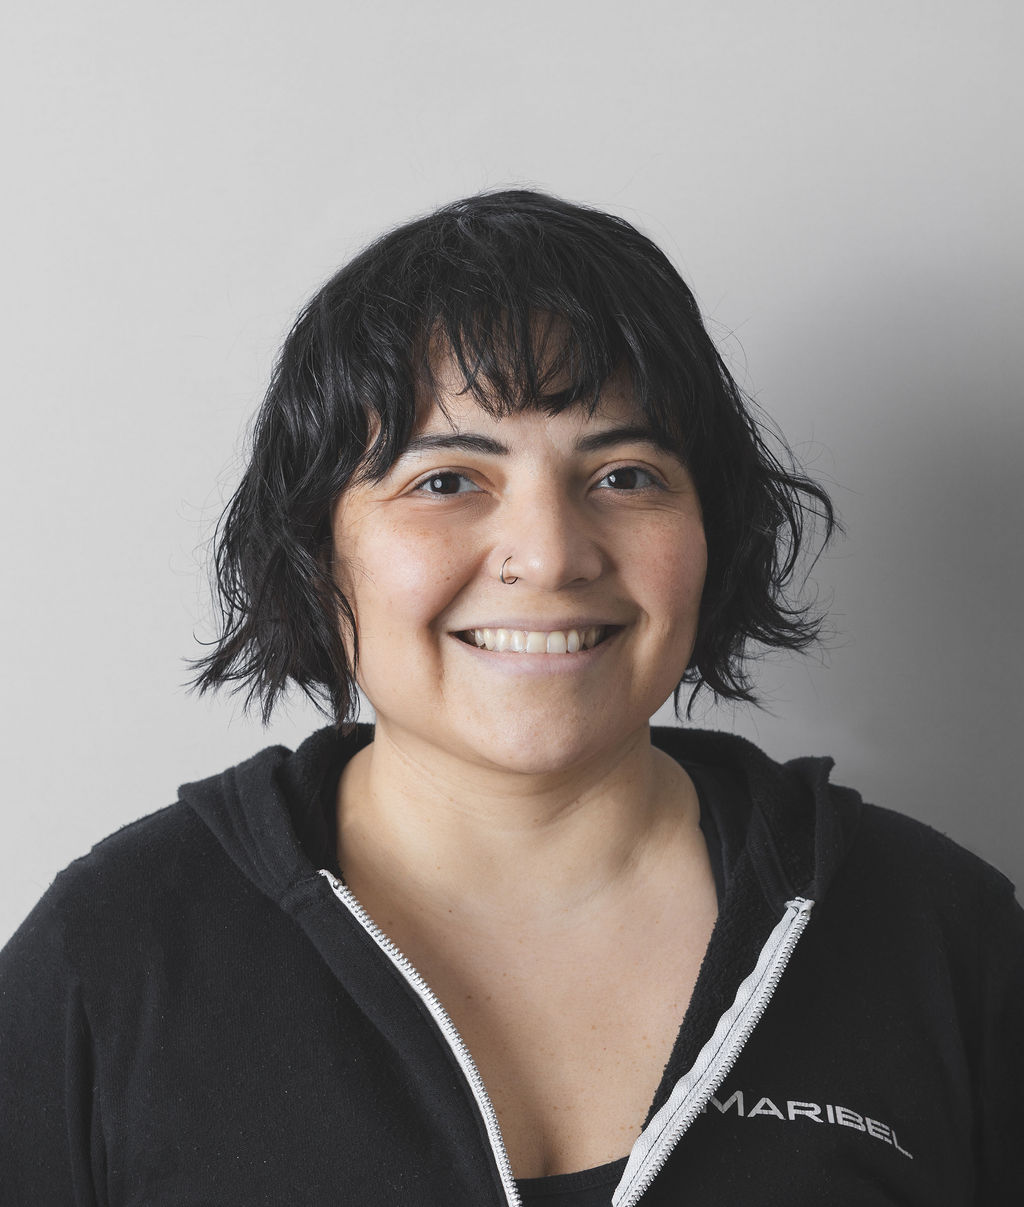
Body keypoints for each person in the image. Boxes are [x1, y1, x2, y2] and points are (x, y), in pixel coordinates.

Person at [1, 190, 1021, 1206]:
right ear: (318, 554)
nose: (549, 554)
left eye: (624, 475)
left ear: (713, 536)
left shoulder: (943, 935)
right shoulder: (115, 953)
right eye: (446, 480)